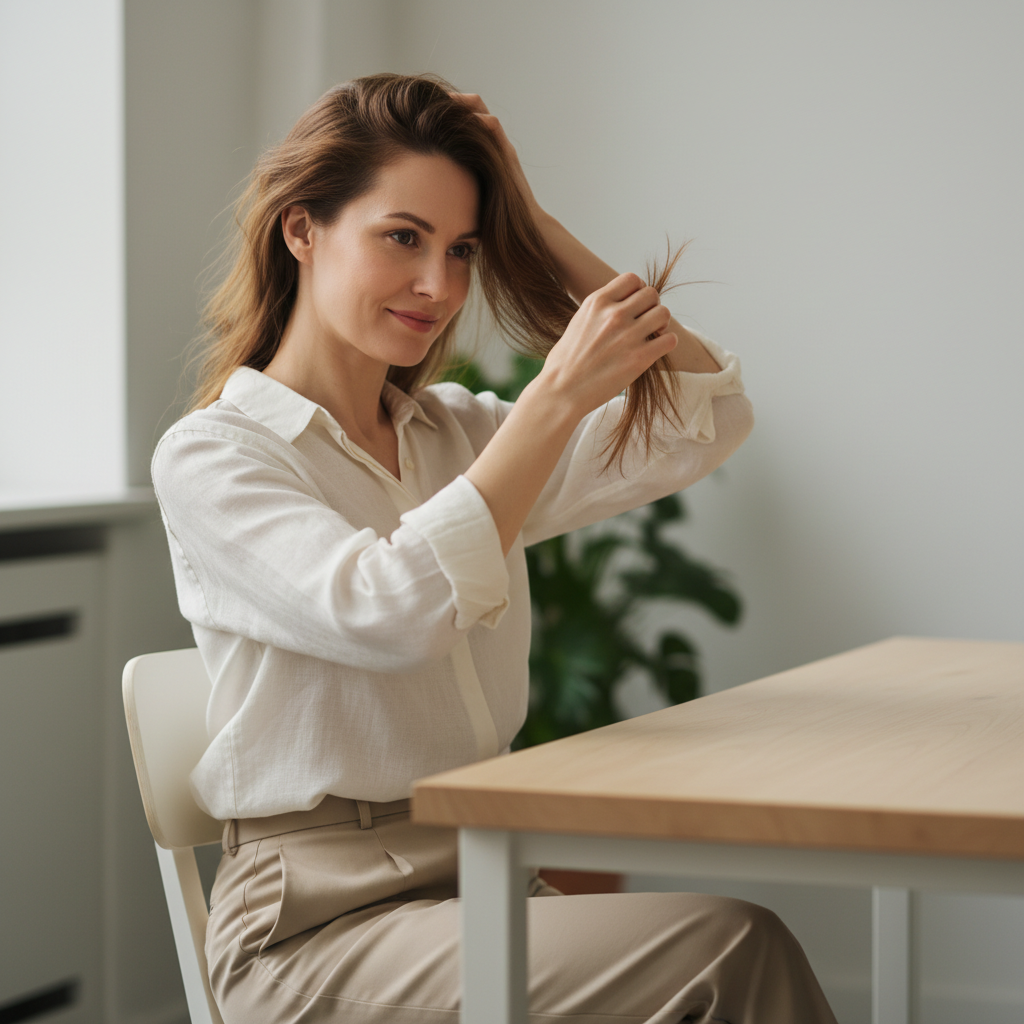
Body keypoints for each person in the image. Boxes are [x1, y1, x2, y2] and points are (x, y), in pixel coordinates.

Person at [152, 74, 836, 1024]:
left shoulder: (454, 436)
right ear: (301, 230)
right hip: (313, 924)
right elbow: (389, 608)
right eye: (403, 237)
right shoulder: (216, 455)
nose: (440, 285)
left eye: (463, 249)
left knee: (724, 953)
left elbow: (701, 420)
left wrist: (530, 217)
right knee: (727, 947)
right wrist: (554, 402)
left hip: (483, 876)